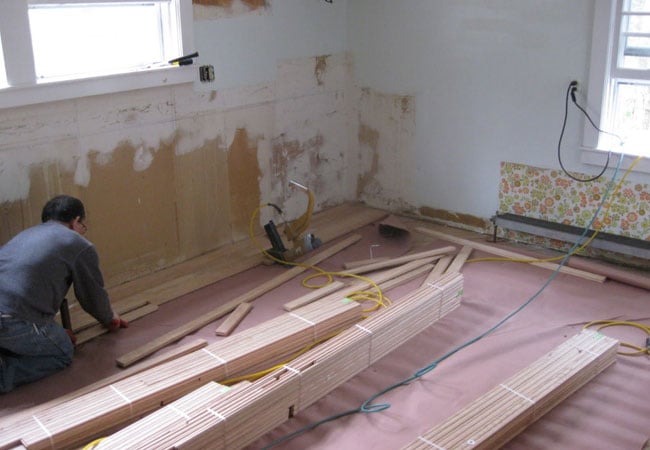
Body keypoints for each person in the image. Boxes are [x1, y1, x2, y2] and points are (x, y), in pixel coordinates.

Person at [0, 195, 128, 393]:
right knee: (62, 351)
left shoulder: (26, 236)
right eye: (83, 226)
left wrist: (51, 330)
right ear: (76, 221)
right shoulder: (77, 243)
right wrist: (110, 318)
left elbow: (30, 291)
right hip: (9, 321)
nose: (82, 232)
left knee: (51, 336)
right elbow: (92, 297)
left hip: (8, 315)